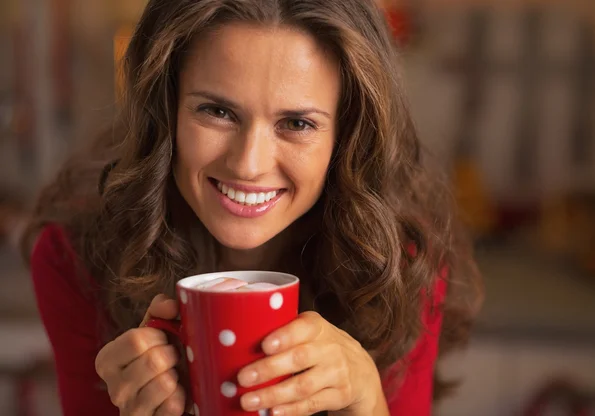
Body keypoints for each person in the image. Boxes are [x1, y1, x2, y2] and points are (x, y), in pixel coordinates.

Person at [22, 0, 482, 415]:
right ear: (166, 112)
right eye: (218, 112)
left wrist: (367, 400)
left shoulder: (403, 261)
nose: (249, 164)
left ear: (348, 138)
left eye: (297, 123)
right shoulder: (77, 257)